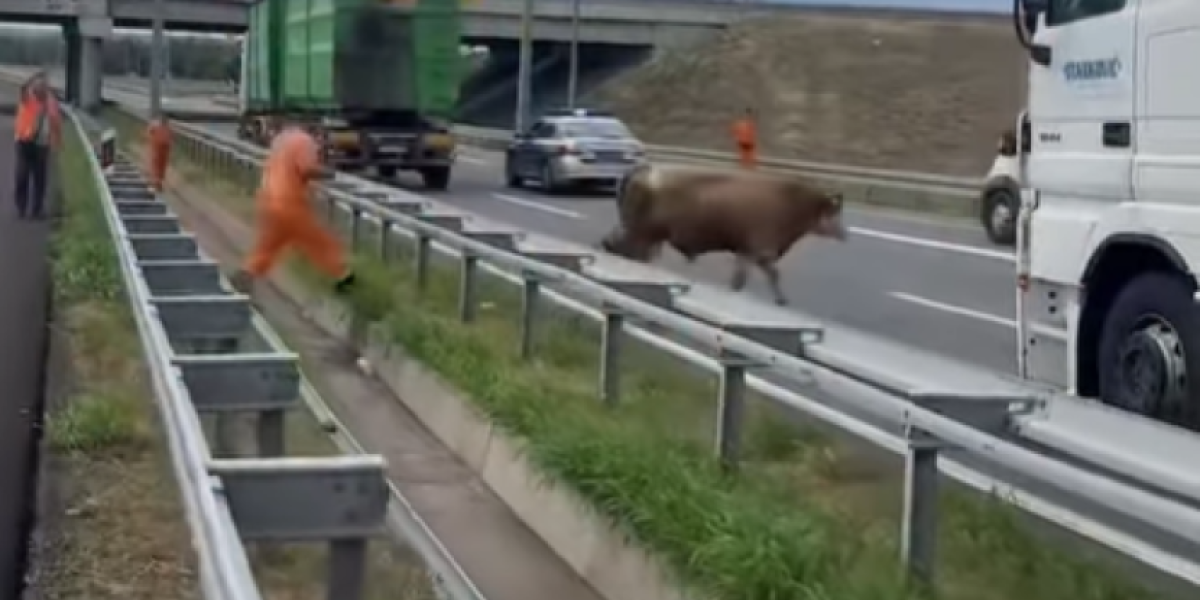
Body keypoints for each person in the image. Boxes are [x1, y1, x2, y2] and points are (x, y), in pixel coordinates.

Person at [230, 123, 356, 297]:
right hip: (289, 202)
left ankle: (246, 274)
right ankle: (345, 278)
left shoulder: (282, 139)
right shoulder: (305, 142)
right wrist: (330, 174)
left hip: (268, 198)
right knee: (319, 242)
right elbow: (307, 168)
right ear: (316, 132)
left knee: (269, 245)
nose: (320, 147)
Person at [12, 73, 61, 220]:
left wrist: (57, 141)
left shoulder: (50, 102)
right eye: (37, 85)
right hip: (24, 141)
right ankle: (21, 206)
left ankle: (37, 209)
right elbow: (23, 88)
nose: (40, 88)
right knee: (21, 176)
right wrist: (32, 79)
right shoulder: (27, 97)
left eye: (43, 86)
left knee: (40, 178)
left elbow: (55, 121)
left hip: (41, 144)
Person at [145, 116, 173, 196]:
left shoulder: (155, 126)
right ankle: (158, 185)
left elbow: (148, 133)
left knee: (156, 166)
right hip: (163, 148)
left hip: (157, 147)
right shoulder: (168, 129)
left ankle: (155, 185)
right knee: (160, 166)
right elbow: (171, 139)